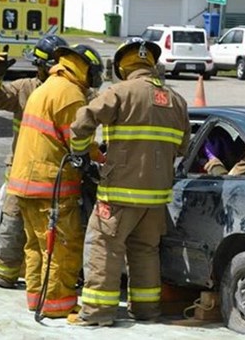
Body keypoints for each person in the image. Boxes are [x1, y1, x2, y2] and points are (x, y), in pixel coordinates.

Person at [68, 37, 190, 327]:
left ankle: (97, 314)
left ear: (123, 65)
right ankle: (146, 310)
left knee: (104, 248)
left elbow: (82, 120)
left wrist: (80, 151)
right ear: (151, 63)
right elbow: (183, 148)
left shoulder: (120, 92)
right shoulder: (177, 101)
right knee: (145, 251)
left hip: (119, 194)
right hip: (157, 197)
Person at [6, 43, 104, 319]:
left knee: (36, 246)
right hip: (50, 186)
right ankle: (57, 305)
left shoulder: (47, 87)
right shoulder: (70, 94)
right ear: (85, 70)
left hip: (24, 183)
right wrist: (101, 157)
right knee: (62, 246)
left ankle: (37, 299)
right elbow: (78, 140)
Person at [0, 34, 69, 289]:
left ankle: (48, 279)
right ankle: (3, 274)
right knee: (12, 221)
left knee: (53, 227)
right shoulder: (25, 88)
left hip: (56, 172)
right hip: (21, 169)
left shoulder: (72, 91)